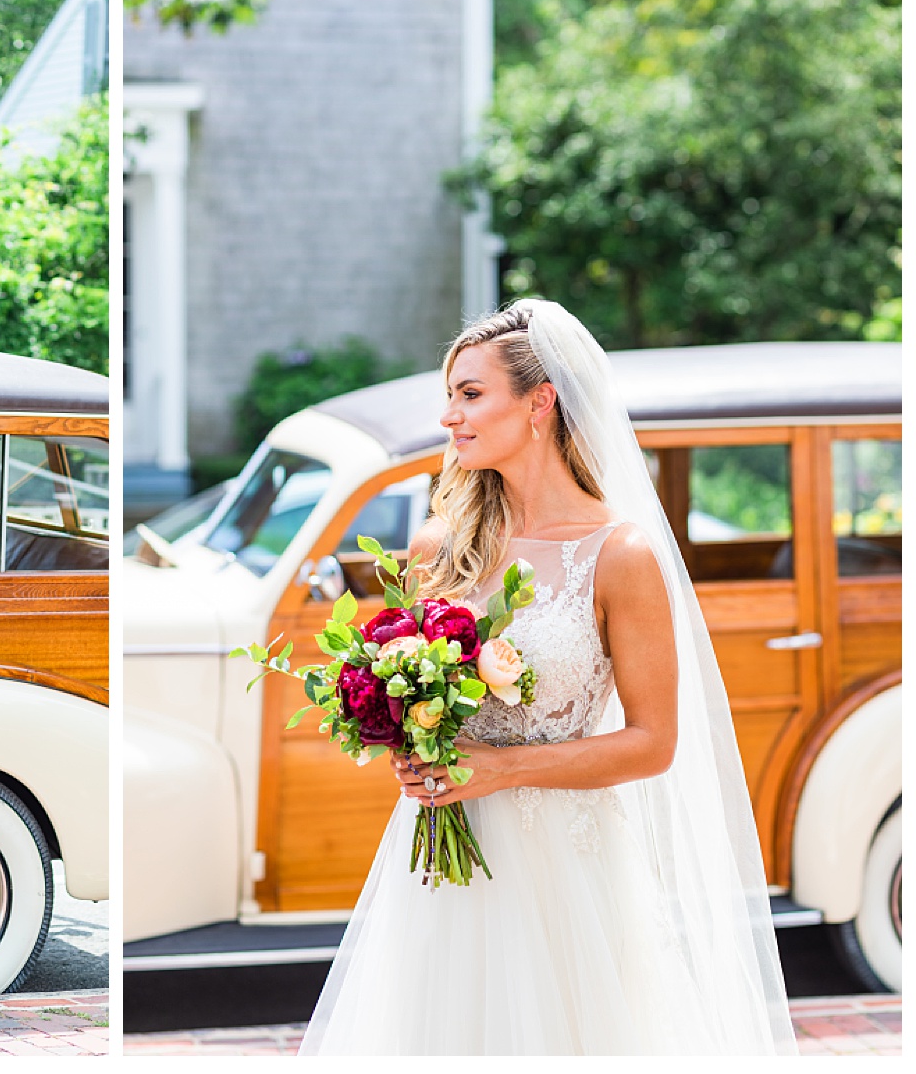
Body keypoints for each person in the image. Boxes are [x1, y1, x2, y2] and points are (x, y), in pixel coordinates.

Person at [299, 300, 796, 1056]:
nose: (448, 416)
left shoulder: (620, 554)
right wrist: (405, 734)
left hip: (567, 872)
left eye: (470, 394)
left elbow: (653, 743)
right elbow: (420, 700)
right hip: (438, 872)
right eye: (450, 395)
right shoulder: (440, 544)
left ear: (539, 402)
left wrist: (500, 770)